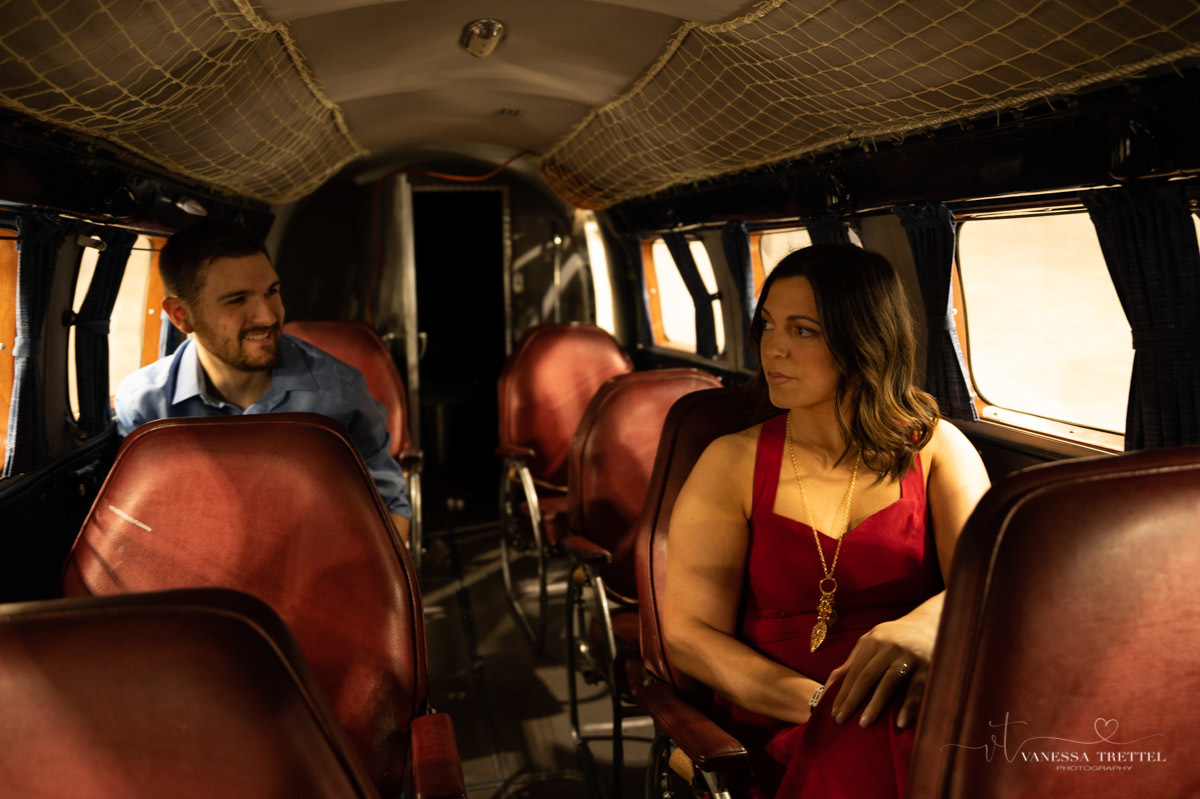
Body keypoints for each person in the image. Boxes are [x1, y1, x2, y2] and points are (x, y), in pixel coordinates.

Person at [663, 244, 990, 798]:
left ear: (864, 341)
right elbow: (690, 637)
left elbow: (986, 585)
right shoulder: (730, 463)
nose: (772, 348)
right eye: (768, 325)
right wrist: (827, 704)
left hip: (913, 702)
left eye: (803, 330)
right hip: (778, 715)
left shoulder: (937, 448)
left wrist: (924, 626)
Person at [113, 222, 412, 543]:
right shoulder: (146, 405)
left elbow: (388, 505)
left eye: (272, 292)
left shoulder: (339, 392)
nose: (268, 317)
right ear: (180, 315)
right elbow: (142, 522)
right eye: (237, 300)